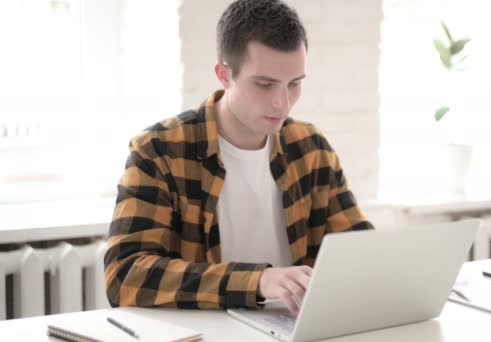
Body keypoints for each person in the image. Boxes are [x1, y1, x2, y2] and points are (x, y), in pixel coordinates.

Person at [104, 0, 373, 316]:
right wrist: (257, 281)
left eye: (295, 84)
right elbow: (124, 276)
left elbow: (359, 250)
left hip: (293, 330)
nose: (282, 103)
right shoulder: (158, 150)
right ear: (224, 74)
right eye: (264, 84)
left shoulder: (311, 147)